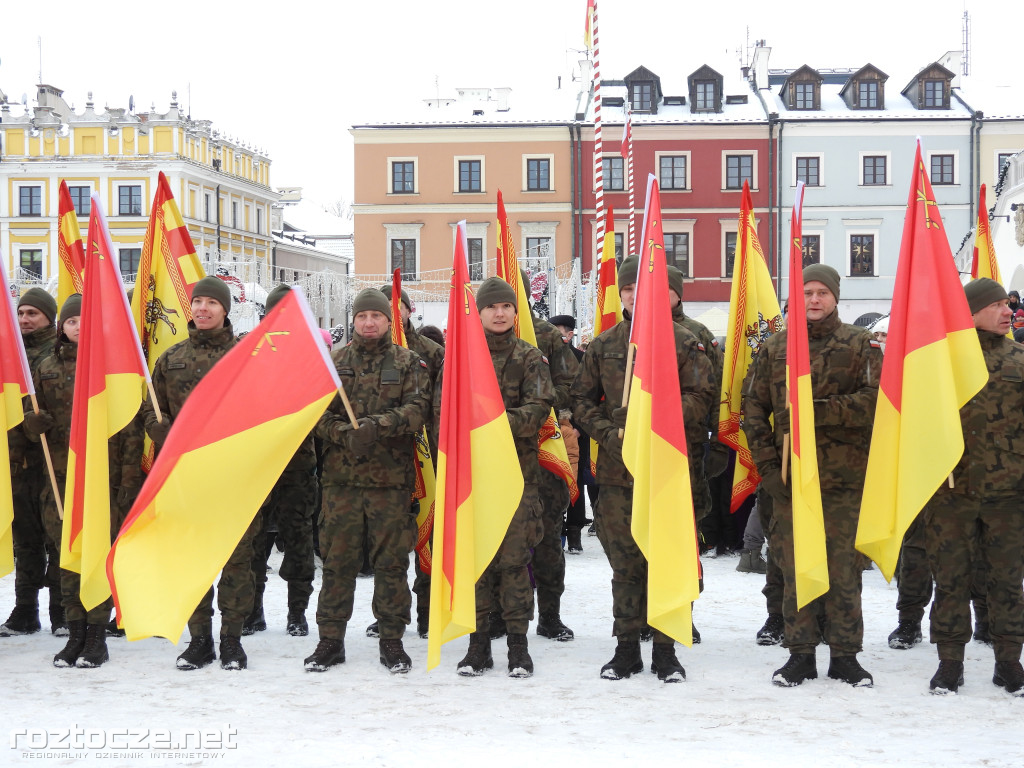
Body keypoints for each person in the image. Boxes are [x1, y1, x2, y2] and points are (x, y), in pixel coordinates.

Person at [571, 256, 716, 682]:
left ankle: (667, 650)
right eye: (627, 290)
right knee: (626, 566)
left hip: (668, 471)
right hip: (619, 476)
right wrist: (613, 435)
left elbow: (703, 398)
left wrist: (654, 421)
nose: (634, 296)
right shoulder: (604, 345)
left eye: (641, 288)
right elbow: (580, 402)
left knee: (667, 560)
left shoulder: (685, 342)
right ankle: (627, 648)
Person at [742, 263, 882, 688]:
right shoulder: (777, 348)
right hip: (788, 479)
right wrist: (768, 467)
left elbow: (875, 402)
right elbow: (753, 411)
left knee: (843, 571)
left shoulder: (861, 345)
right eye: (808, 292)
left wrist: (816, 412)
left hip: (843, 480)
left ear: (836, 296)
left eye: (823, 291)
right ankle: (800, 653)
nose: (815, 299)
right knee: (794, 568)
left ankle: (845, 655)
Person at [304, 288, 431, 674]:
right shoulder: (334, 362)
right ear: (354, 321)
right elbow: (315, 413)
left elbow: (419, 409)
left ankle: (392, 640)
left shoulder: (409, 362)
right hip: (340, 484)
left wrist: (379, 426)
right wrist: (343, 433)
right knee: (337, 563)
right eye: (362, 317)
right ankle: (330, 640)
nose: (369, 322)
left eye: (376, 316)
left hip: (390, 485)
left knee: (391, 564)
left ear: (389, 321)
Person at [22, 295, 144, 667]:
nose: (77, 328)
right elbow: (31, 421)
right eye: (71, 322)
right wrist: (32, 425)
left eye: (84, 321)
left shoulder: (114, 370)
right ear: (62, 326)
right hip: (60, 485)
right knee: (69, 559)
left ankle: (96, 635)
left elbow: (131, 430)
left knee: (96, 560)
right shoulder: (45, 367)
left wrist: (126, 485)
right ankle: (75, 633)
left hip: (102, 484)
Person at [145, 276, 255, 671]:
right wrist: (156, 428)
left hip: (234, 478)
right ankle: (199, 640)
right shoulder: (170, 359)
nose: (203, 309)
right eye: (198, 302)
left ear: (225, 310)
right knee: (192, 558)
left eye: (212, 302)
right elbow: (150, 407)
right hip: (185, 479)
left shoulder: (247, 356)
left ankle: (231, 640)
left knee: (236, 561)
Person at [446, 277, 553, 678]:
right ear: (479, 311)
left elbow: (539, 408)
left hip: (516, 478)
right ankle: (477, 646)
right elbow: (443, 413)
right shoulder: (460, 360)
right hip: (472, 478)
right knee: (477, 562)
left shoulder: (530, 357)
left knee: (513, 563)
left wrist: (492, 425)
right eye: (492, 306)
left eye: (506, 306)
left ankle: (517, 646)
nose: (500, 312)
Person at [922, 278, 1024, 696]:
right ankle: (950, 663)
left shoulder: (1020, 359)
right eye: (997, 305)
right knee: (950, 581)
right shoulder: (940, 362)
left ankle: (1009, 663)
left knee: (1007, 581)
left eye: (1007, 304)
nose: (1008, 311)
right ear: (972, 311)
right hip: (951, 493)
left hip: (1008, 495)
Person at [244, 285, 318, 638]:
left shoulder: (313, 359)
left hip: (298, 470)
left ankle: (296, 613)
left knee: (299, 543)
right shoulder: (248, 355)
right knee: (254, 544)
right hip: (257, 468)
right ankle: (253, 611)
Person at [1, 288, 62, 638]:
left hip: (49, 461)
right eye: (21, 313)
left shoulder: (56, 354)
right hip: (13, 462)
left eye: (32, 314)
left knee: (55, 536)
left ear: (48, 318)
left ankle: (60, 610)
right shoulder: (9, 352)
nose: (24, 319)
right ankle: (25, 609)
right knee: (24, 538)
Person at [523, 283, 579, 644]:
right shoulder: (475, 336)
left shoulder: (546, 335)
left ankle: (550, 615)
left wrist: (533, 399)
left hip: (544, 448)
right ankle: (499, 614)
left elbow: (572, 385)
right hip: (497, 451)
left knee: (546, 538)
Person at [549, 314, 587, 554]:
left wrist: (579, 428)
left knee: (575, 480)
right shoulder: (544, 356)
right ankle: (556, 531)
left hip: (573, 429)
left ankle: (574, 533)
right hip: (549, 427)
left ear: (570, 334)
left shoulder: (582, 359)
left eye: (558, 331)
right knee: (552, 478)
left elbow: (587, 396)